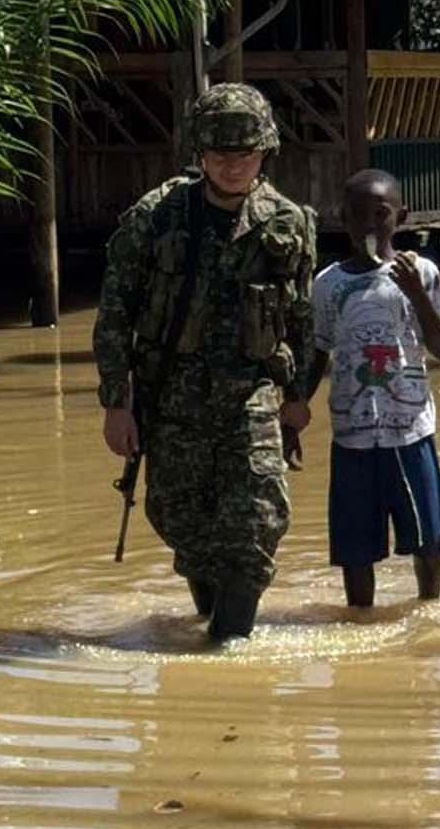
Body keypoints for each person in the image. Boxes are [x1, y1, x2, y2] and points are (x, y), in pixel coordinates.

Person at [93, 84, 316, 643]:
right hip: (172, 393)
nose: (234, 166)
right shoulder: (157, 217)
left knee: (256, 518)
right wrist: (116, 404)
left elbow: (303, 319)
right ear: (200, 155)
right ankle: (210, 626)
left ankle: (227, 648)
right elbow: (115, 312)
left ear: (265, 151)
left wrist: (297, 398)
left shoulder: (287, 224)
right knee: (183, 522)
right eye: (220, 155)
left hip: (252, 391)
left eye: (245, 154)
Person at [303, 169, 440, 609]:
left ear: (401, 217)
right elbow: (318, 351)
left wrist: (415, 294)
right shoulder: (328, 284)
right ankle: (359, 619)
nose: (369, 225)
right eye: (358, 215)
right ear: (342, 219)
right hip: (352, 433)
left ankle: (429, 610)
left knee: (428, 537)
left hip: (409, 430)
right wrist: (296, 411)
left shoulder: (421, 272)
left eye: (380, 214)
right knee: (356, 546)